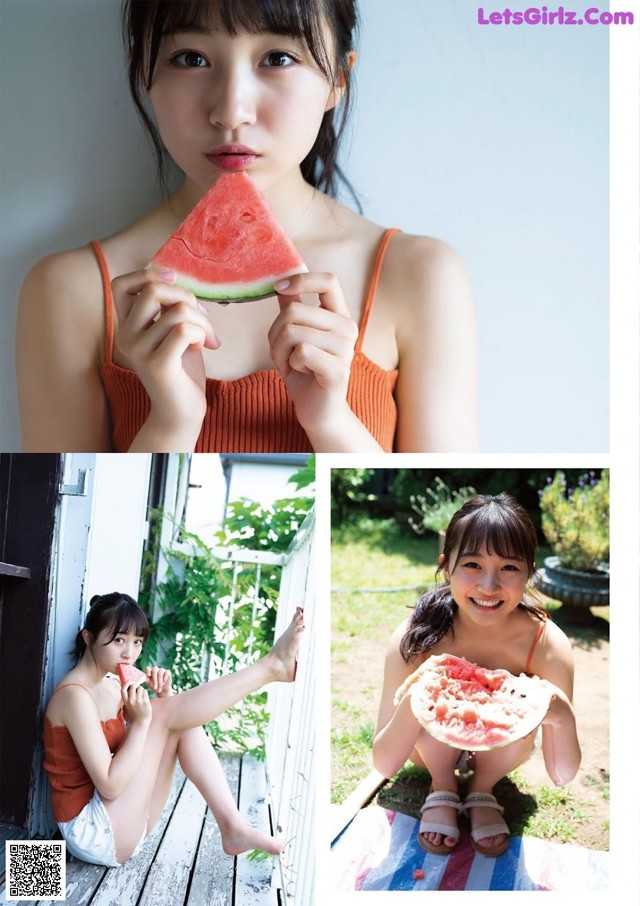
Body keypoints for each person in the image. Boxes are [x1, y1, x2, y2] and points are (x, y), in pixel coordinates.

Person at [17, 0, 477, 454]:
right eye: (190, 58)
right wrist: (172, 421)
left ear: (338, 78)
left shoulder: (421, 275)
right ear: (143, 71)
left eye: (279, 58)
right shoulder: (69, 289)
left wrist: (331, 421)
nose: (231, 112)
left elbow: (430, 509)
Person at [372, 493, 581, 857]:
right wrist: (422, 698)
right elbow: (385, 762)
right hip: (425, 751)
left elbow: (561, 774)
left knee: (528, 701)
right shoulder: (415, 634)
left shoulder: (548, 644)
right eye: (472, 564)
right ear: (446, 566)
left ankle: (483, 788)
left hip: (505, 753)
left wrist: (561, 715)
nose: (488, 586)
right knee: (425, 698)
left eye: (509, 568)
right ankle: (442, 786)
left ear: (529, 572)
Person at [42, 592, 304, 867]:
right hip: (93, 832)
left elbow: (169, 724)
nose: (129, 653)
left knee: (181, 724)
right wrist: (144, 720)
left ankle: (232, 827)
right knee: (158, 716)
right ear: (88, 638)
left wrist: (164, 695)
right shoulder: (75, 697)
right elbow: (109, 785)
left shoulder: (110, 685)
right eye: (119, 640)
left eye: (137, 642)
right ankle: (271, 667)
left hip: (127, 822)